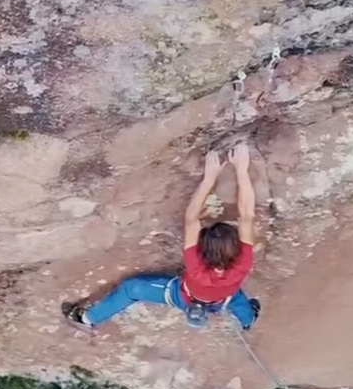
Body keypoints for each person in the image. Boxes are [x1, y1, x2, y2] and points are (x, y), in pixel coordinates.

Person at [65, 142, 261, 331]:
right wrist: (242, 170)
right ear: (237, 248)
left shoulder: (196, 265)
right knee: (236, 298)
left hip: (184, 297)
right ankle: (248, 320)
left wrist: (209, 178)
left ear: (204, 248)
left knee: (132, 289)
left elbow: (191, 218)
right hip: (223, 298)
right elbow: (247, 215)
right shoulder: (243, 262)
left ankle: (86, 318)